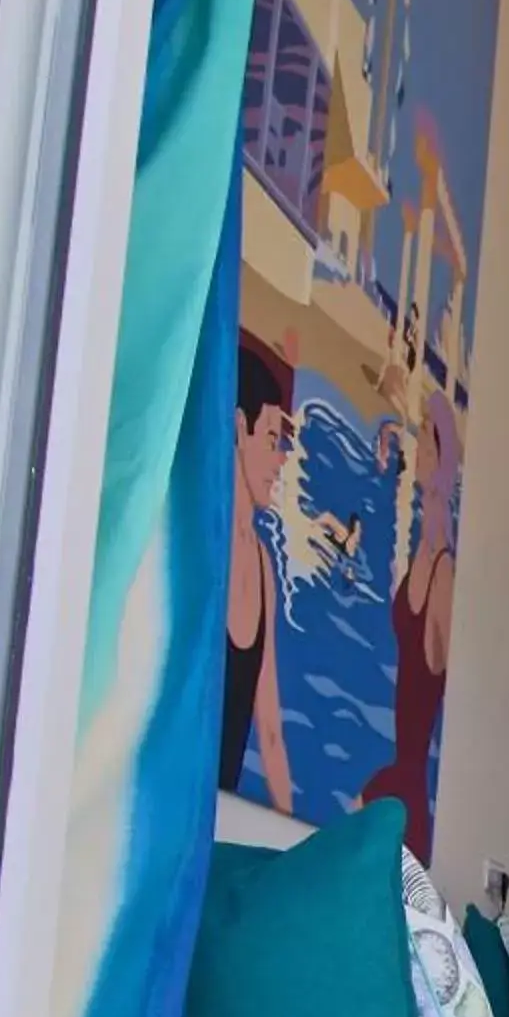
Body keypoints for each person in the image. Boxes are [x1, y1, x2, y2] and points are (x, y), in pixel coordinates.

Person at [362, 386, 459, 858]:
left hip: (411, 779)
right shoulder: (422, 552)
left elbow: (446, 677)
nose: (416, 453)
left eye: (425, 445)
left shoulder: (444, 574)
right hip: (399, 768)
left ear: (442, 465)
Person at [223, 341, 297, 811]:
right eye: (272, 440)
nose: (281, 460)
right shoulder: (203, 550)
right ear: (238, 429)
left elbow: (270, 732)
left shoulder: (264, 567)